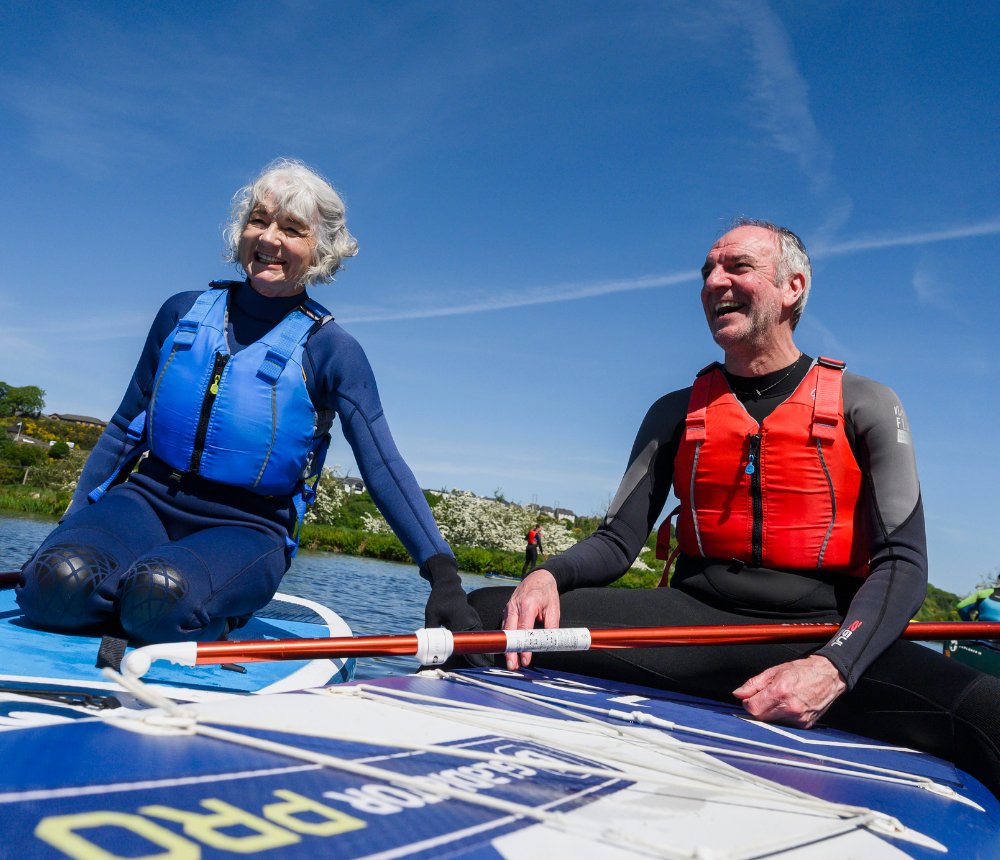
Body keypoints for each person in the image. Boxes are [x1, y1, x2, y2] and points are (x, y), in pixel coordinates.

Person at [468, 218, 1000, 799]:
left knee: (990, 713)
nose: (714, 282)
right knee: (480, 616)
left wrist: (833, 669)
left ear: (793, 286)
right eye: (707, 272)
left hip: (822, 633)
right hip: (694, 623)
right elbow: (619, 541)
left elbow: (902, 562)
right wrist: (547, 574)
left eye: (737, 267)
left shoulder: (866, 403)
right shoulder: (673, 411)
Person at [16, 160, 481, 646]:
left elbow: (383, 467)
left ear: (320, 251)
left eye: (293, 229)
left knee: (159, 596)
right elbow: (122, 427)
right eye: (258, 221)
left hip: (247, 529)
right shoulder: (180, 311)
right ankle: (114, 592)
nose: (269, 239)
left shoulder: (332, 352)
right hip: (142, 501)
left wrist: (444, 578)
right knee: (57, 580)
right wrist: (73, 525)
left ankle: (208, 613)